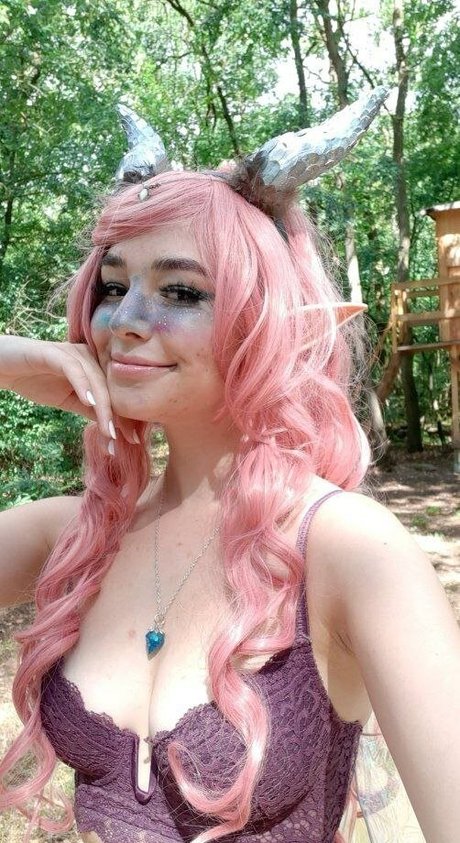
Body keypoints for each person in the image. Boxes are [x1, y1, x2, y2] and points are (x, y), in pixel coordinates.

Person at [0, 92, 459, 843]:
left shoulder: (347, 549)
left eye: (180, 291)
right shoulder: (77, 536)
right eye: (113, 286)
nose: (125, 320)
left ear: (264, 321)